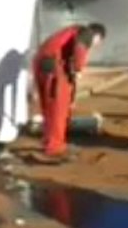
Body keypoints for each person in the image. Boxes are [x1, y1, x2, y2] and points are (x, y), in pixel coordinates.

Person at [32, 22, 107, 161]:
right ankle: (55, 148)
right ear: (97, 36)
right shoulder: (86, 33)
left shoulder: (70, 33)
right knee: (58, 109)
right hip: (52, 66)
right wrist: (79, 68)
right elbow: (80, 48)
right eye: (97, 42)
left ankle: (50, 141)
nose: (94, 46)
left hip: (43, 64)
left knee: (50, 107)